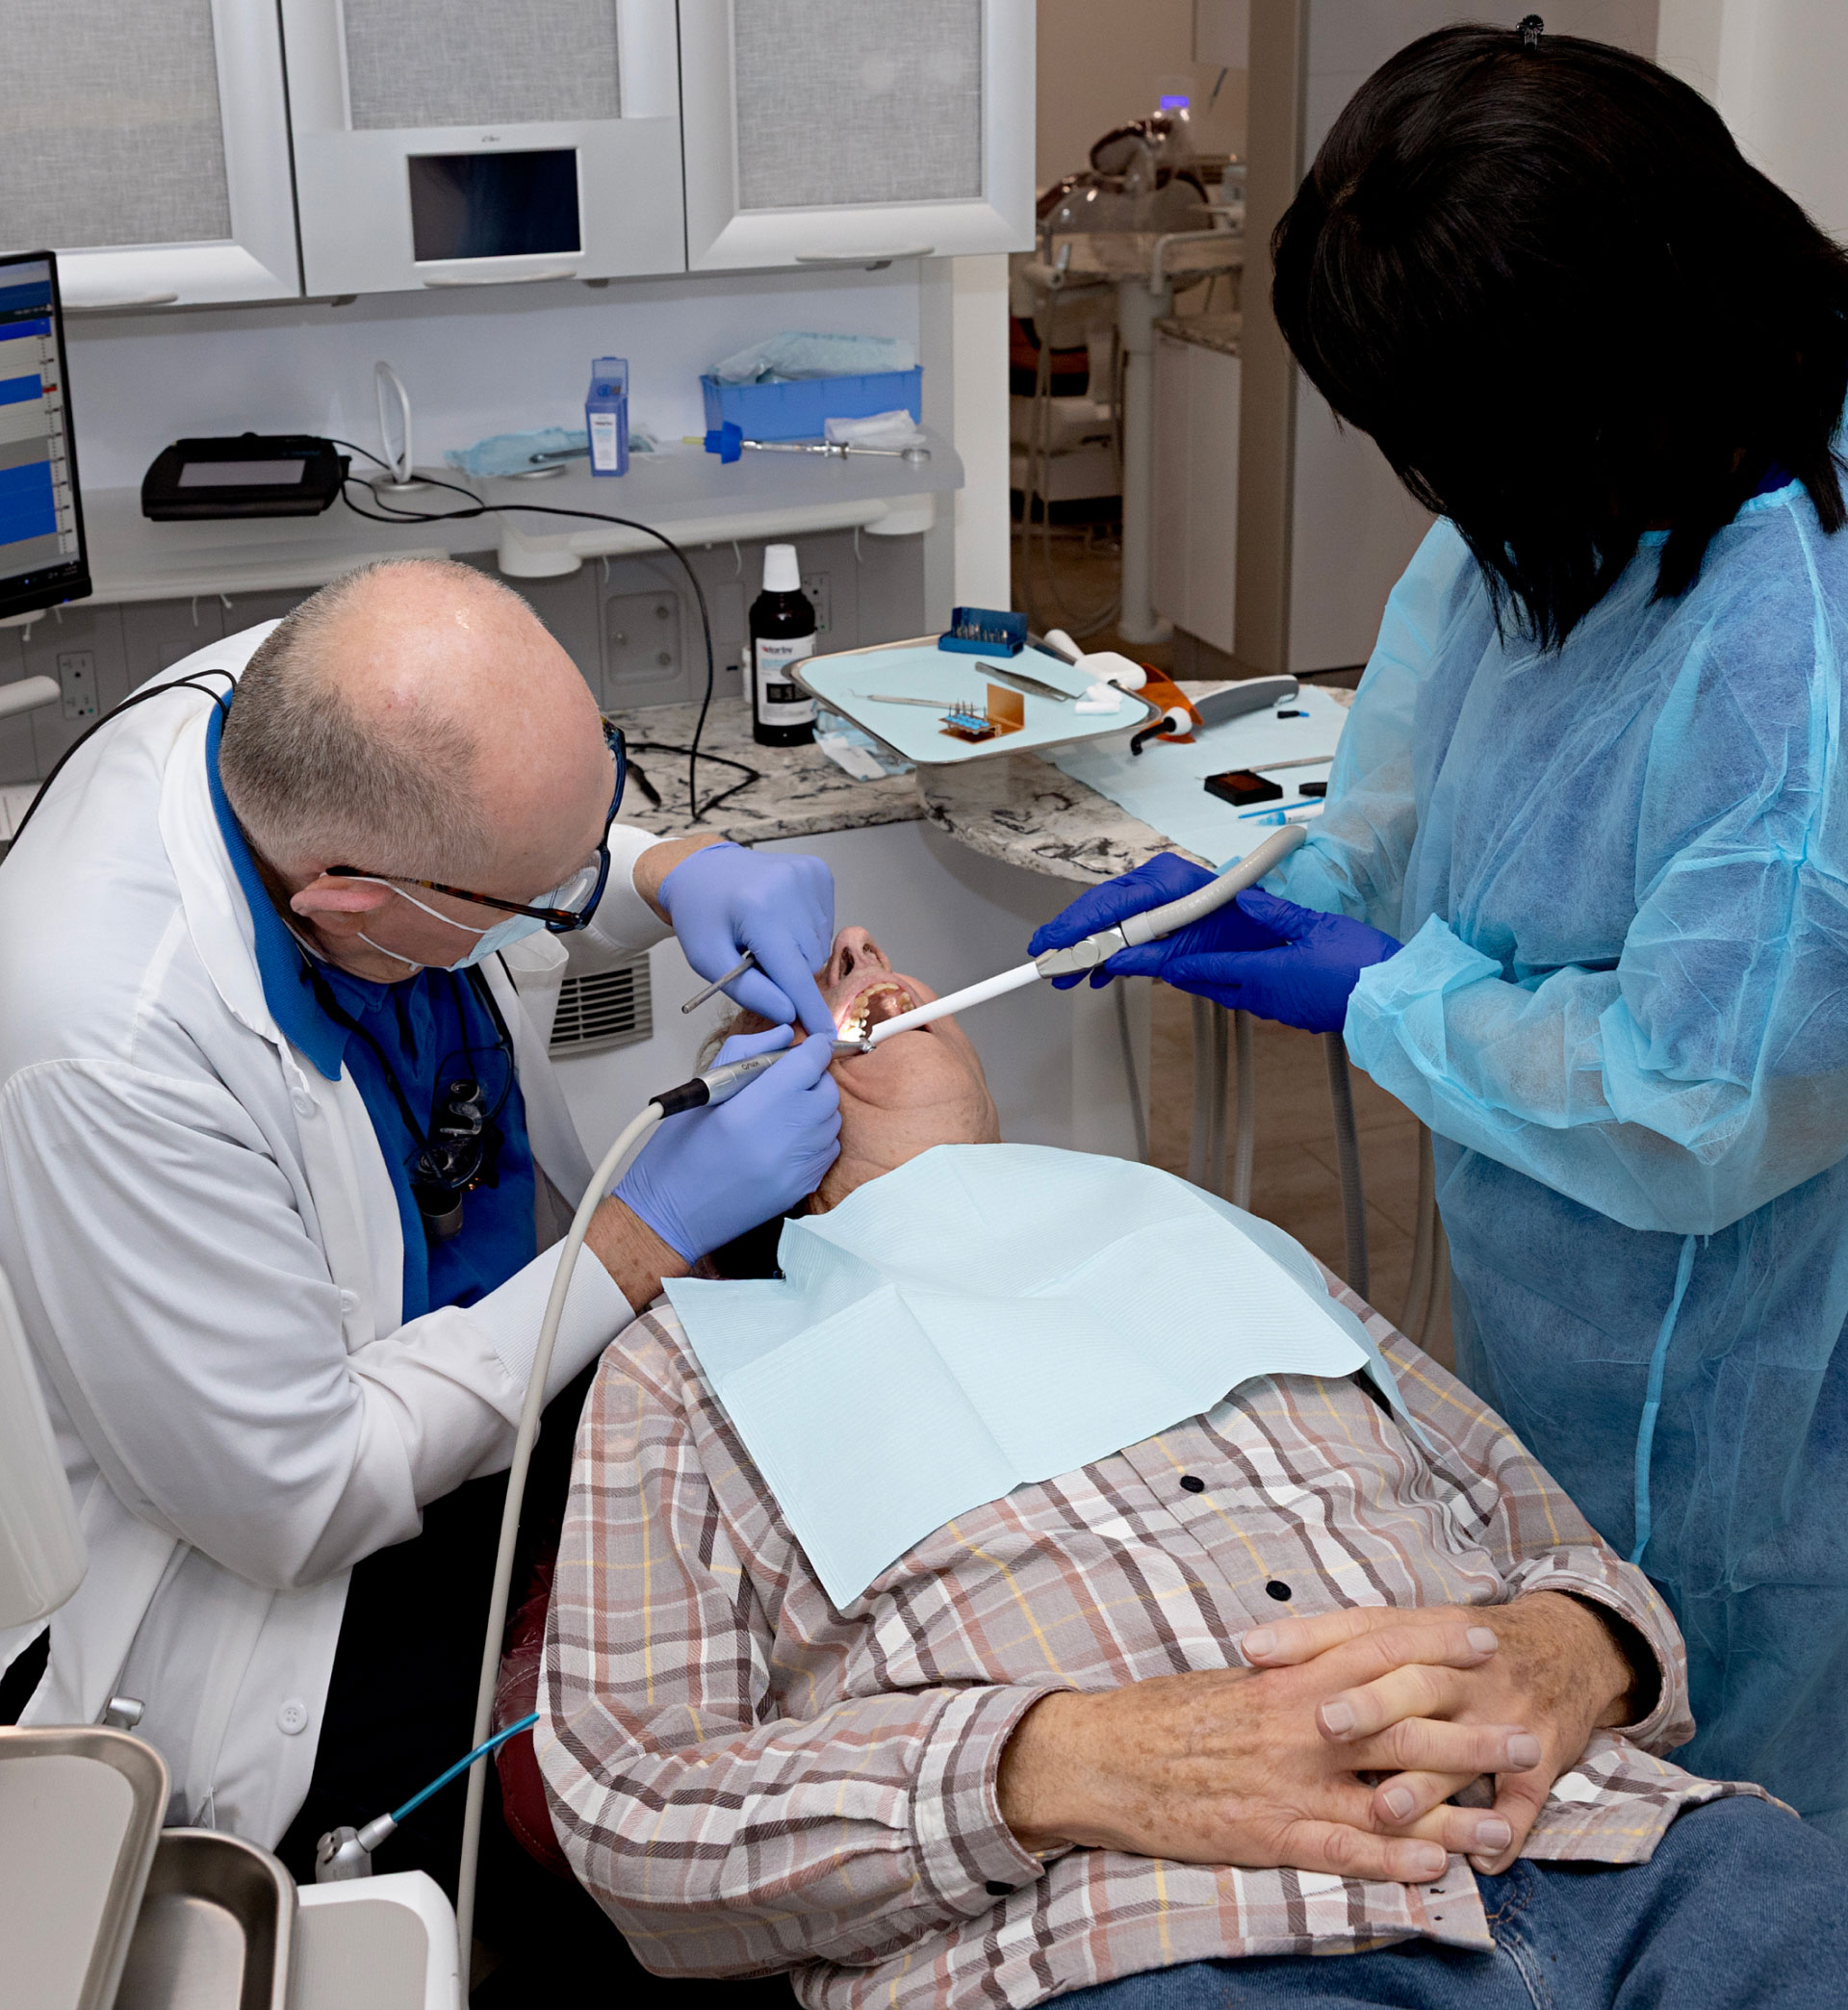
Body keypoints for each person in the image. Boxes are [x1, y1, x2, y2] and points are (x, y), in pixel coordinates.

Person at [1031, 23, 1848, 1834]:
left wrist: (1388, 1001)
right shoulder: (1565, 495)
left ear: (1591, 383)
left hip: (1752, 1362)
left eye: (1445, 451)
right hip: (1565, 1291)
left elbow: (1697, 1107)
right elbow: (1414, 775)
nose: (1432, 500)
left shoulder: (1801, 662)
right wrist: (1287, 893)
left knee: (1726, 1769)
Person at [529, 922, 1844, 2009]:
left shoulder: (1216, 1235)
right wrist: (1059, 1763)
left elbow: (1572, 1558)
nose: (858, 944)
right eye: (793, 997)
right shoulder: (691, 1369)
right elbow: (636, 1816)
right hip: (1150, 1938)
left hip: (1619, 1848)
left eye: (851, 946)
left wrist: (1572, 1650)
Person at [0, 557, 842, 1897]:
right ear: (347, 907)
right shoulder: (105, 1043)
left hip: (481, 1348)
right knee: (643, 1799)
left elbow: (495, 831)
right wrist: (642, 1237)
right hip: (295, 1578)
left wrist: (666, 868)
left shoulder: (318, 696)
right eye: (537, 896)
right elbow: (299, 1498)